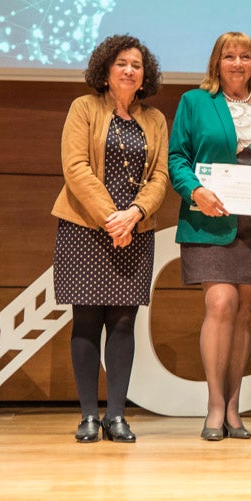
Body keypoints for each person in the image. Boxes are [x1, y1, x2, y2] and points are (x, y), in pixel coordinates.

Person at [168, 32, 251, 441]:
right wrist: (195, 190)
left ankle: (234, 407)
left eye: (245, 57)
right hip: (210, 218)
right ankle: (213, 406)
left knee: (243, 310)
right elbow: (177, 158)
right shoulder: (194, 102)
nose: (238, 63)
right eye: (230, 56)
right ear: (216, 63)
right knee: (221, 301)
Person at [51, 34, 168, 443]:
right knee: (85, 321)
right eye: (121, 63)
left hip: (135, 229)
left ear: (144, 75)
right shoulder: (83, 108)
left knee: (123, 323)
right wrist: (111, 220)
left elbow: (160, 177)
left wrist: (134, 215)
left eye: (136, 65)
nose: (129, 70)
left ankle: (116, 415)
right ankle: (87, 415)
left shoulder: (154, 119)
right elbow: (75, 167)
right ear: (105, 70)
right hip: (85, 228)